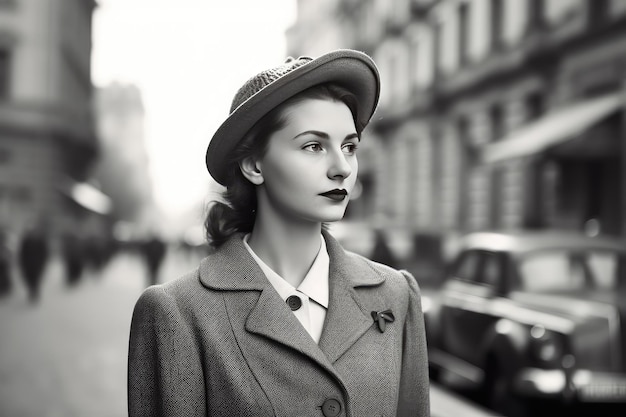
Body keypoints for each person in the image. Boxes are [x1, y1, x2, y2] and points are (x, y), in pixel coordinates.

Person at [128, 49, 430, 417]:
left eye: (349, 146)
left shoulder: (396, 294)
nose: (342, 168)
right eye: (314, 146)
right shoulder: (178, 313)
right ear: (254, 165)